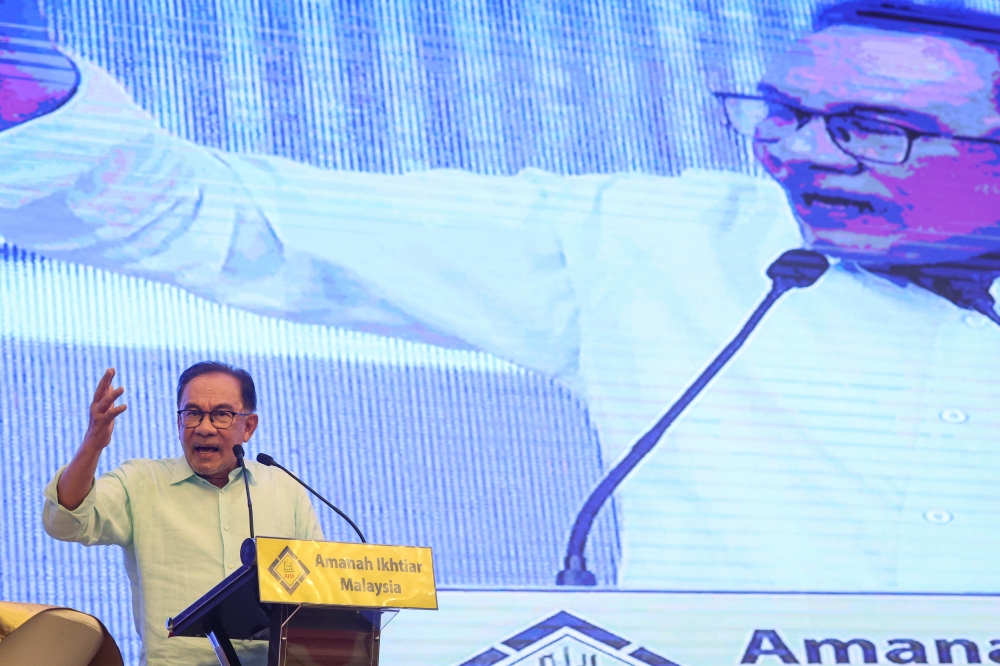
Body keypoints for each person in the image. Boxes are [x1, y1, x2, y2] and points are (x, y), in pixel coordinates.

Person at [14, 0, 1000, 591]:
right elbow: (217, 215)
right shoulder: (654, 245)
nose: (802, 153)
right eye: (784, 113)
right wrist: (31, 94)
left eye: (874, 129)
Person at [42, 362, 324, 666]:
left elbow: (321, 595)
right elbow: (65, 522)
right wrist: (92, 445)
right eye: (192, 413)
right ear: (179, 422)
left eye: (221, 415)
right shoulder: (141, 483)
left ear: (249, 426)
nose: (204, 427)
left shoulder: (284, 489)